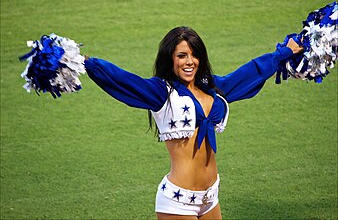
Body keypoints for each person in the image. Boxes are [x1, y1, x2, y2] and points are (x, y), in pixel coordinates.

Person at [84, 26, 303, 220]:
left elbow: (249, 73)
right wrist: (84, 63)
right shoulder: (161, 92)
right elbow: (121, 79)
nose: (189, 62)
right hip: (178, 201)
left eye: (194, 55)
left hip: (210, 197)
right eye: (182, 55)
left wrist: (284, 53)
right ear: (170, 59)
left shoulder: (212, 87)